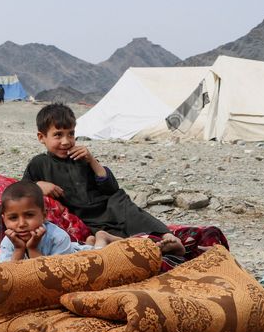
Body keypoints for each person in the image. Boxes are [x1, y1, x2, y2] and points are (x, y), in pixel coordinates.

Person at [23, 103, 185, 256]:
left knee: (123, 203)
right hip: (83, 216)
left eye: (71, 134)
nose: (66, 141)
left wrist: (91, 160)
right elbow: (20, 191)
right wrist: (38, 186)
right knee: (100, 237)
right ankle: (121, 242)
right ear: (41, 137)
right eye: (58, 135)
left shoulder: (80, 157)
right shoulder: (39, 163)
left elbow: (111, 188)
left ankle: (167, 237)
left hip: (106, 206)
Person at [0, 180, 94, 262]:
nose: (22, 224)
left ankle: (101, 238)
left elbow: (53, 276)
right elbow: (7, 277)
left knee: (100, 254)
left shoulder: (58, 237)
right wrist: (19, 249)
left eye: (29, 215)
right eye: (13, 218)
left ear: (44, 215)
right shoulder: (9, 241)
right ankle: (91, 241)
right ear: (4, 219)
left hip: (75, 257)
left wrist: (33, 248)